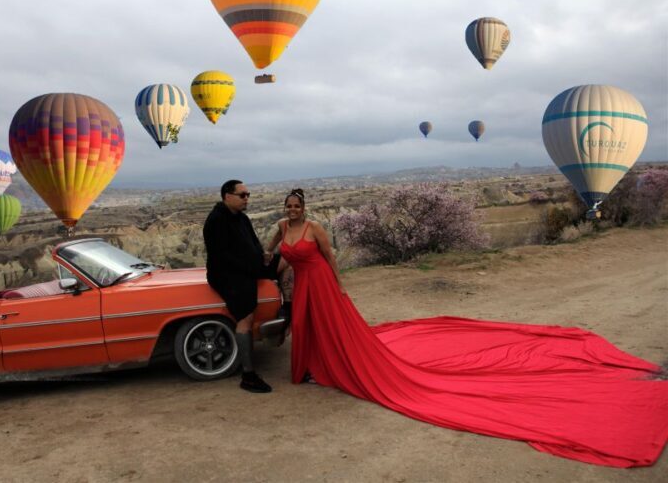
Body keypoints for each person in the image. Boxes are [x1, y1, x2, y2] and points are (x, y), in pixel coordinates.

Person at [266, 188, 668, 468]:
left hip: (321, 281)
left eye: (297, 204)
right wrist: (269, 276)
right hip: (302, 286)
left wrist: (337, 286)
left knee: (334, 328)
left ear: (306, 206)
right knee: (304, 327)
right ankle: (310, 368)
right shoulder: (283, 229)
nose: (293, 209)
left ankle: (330, 367)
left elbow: (329, 257)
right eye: (289, 205)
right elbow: (280, 258)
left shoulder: (315, 228)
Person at [203, 179, 279, 393]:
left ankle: (287, 308)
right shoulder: (216, 221)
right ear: (227, 196)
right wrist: (252, 269)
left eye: (248, 195)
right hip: (230, 275)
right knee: (245, 317)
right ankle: (248, 375)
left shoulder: (241, 218)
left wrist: (264, 257)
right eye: (242, 195)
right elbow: (221, 258)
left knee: (289, 261)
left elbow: (253, 244)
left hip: (250, 267)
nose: (247, 199)